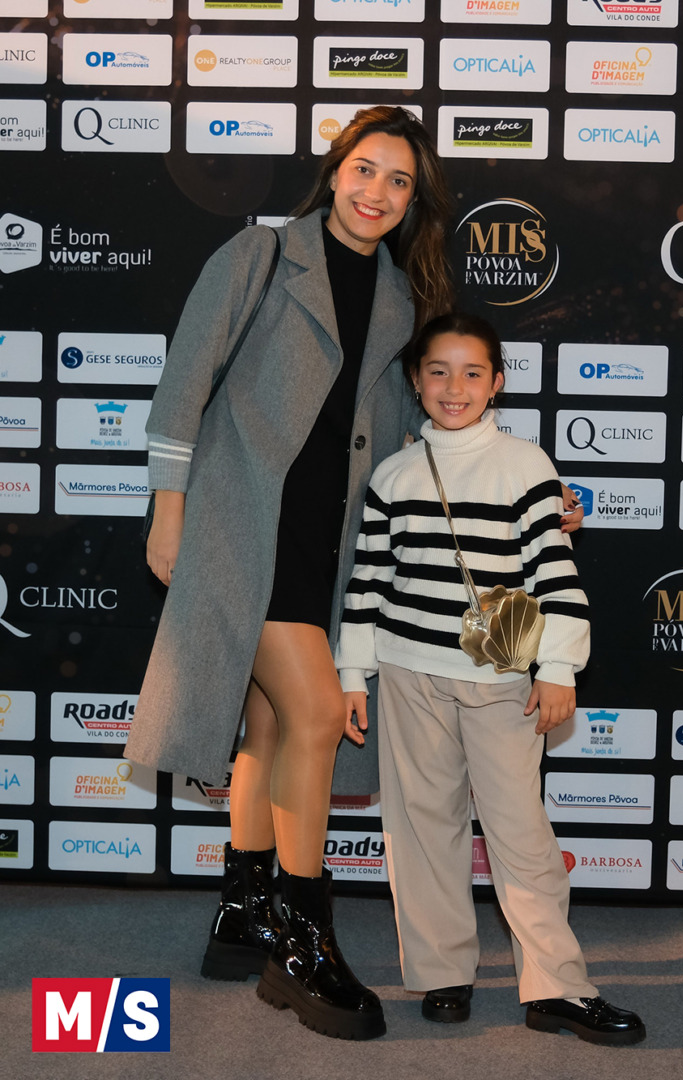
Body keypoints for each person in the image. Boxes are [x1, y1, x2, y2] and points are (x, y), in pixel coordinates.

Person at [125, 106, 457, 1041]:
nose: (378, 192)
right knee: (314, 714)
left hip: (329, 544)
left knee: (270, 723)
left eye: (399, 181)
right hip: (242, 527)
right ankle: (302, 942)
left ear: (412, 201)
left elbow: (414, 431)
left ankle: (242, 911)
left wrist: (518, 492)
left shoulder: (398, 297)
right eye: (366, 169)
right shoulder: (261, 255)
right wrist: (169, 510)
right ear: (335, 170)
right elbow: (184, 382)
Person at [336, 312, 646, 1046]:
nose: (455, 387)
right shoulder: (393, 475)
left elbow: (554, 573)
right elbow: (368, 581)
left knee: (521, 833)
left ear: (497, 382)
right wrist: (353, 673)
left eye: (472, 372)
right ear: (416, 381)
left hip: (501, 677)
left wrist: (559, 666)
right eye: (438, 371)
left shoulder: (526, 465)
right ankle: (442, 975)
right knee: (421, 828)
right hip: (407, 673)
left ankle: (557, 988)